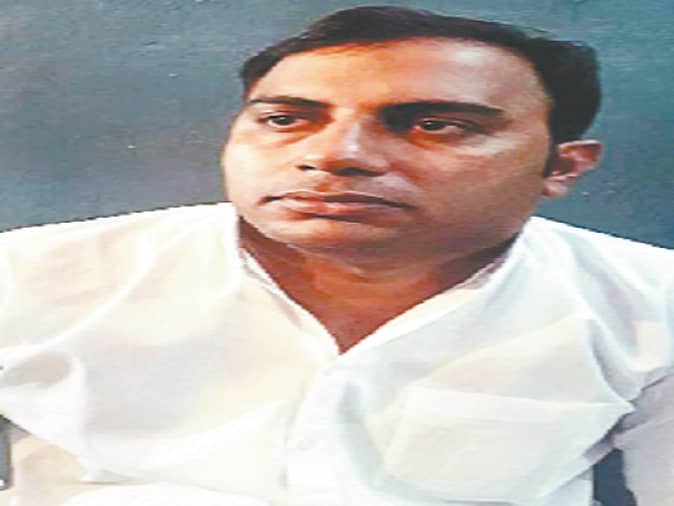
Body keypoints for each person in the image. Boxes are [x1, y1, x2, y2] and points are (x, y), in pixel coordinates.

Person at [0, 5, 671, 506]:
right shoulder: (27, 277)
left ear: (563, 166)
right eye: (285, 119)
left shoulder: (652, 306)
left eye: (436, 124)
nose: (334, 155)